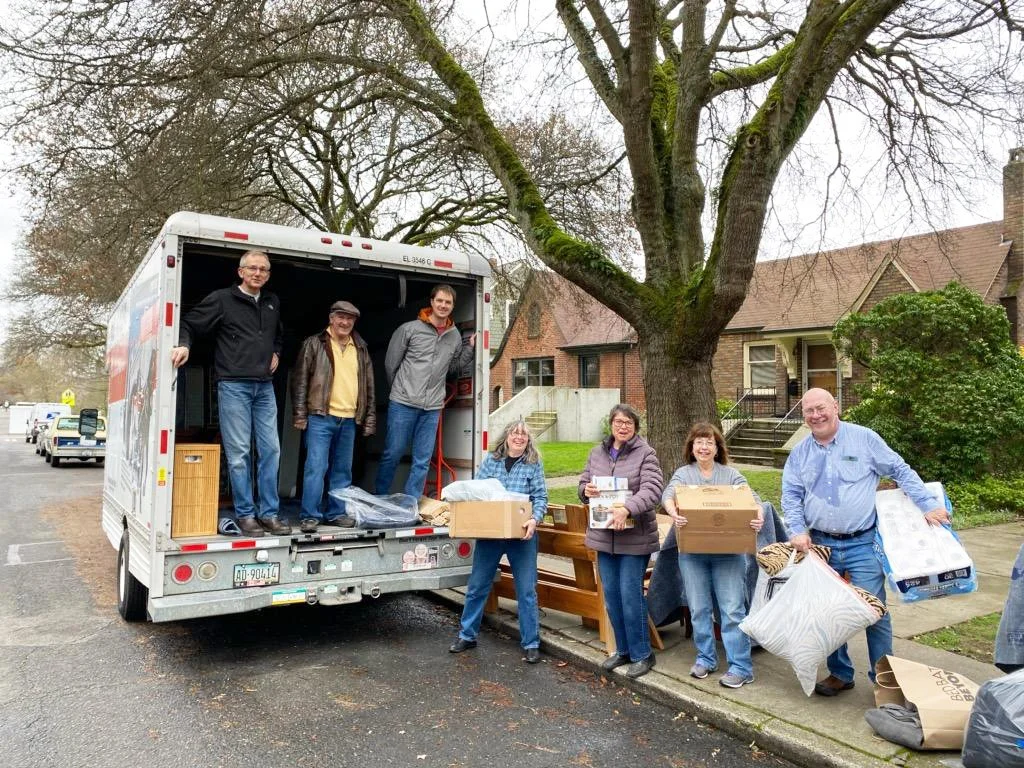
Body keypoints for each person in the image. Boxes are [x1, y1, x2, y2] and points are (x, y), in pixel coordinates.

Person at [782, 387, 948, 696]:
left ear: (836, 407)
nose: (816, 415)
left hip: (862, 544)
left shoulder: (864, 439)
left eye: (821, 408)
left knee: (874, 612)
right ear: (803, 416)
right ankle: (840, 674)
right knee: (828, 612)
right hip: (820, 546)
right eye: (809, 411)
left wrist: (927, 505)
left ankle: (884, 681)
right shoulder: (800, 454)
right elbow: (791, 495)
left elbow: (899, 469)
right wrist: (797, 529)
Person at [170, 249, 290, 537]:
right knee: (239, 454)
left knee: (272, 450)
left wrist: (276, 351)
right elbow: (188, 323)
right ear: (241, 272)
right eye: (252, 268)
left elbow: (278, 335)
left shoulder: (272, 302)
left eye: (263, 269)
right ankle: (246, 515)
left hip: (264, 387)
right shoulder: (222, 300)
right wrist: (184, 344)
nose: (258, 273)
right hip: (234, 386)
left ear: (268, 274)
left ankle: (269, 514)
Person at [662, 422, 764, 689]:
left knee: (732, 610)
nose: (704, 447)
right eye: (699, 442)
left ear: (718, 448)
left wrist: (758, 516)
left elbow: (751, 498)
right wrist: (673, 512)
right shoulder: (684, 474)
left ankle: (741, 667)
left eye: (709, 442)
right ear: (691, 447)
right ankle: (706, 658)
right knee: (699, 609)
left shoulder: (730, 475)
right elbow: (668, 494)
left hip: (728, 554)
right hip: (693, 554)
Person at [449, 419, 548, 663]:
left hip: (521, 536)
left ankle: (531, 642)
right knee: (477, 586)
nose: (519, 437)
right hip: (491, 535)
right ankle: (467, 635)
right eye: (515, 433)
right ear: (506, 437)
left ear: (528, 440)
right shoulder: (491, 461)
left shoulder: (533, 464)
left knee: (526, 590)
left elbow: (541, 497)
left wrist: (534, 519)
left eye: (523, 435)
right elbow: (475, 492)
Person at [580, 403, 663, 679]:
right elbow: (582, 484)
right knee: (613, 597)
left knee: (630, 596)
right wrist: (586, 489)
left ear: (635, 427)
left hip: (634, 539)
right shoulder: (597, 453)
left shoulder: (646, 453)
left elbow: (653, 490)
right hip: (605, 538)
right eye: (618, 421)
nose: (623, 426)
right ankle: (623, 650)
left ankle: (642, 654)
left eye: (628, 422)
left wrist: (627, 508)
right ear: (611, 425)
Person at [374, 284, 475, 498]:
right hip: (403, 403)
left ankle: (411, 504)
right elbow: (391, 364)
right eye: (439, 300)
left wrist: (470, 348)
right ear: (431, 302)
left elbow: (453, 369)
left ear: (453, 306)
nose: (443, 305)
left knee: (422, 460)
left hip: (432, 407)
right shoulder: (409, 329)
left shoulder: (454, 336)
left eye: (448, 302)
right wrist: (400, 391)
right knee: (393, 453)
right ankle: (380, 498)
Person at [291, 300, 376, 534]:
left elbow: (369, 385)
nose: (345, 322)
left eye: (350, 318)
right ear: (331, 318)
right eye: (341, 317)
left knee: (342, 471)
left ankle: (336, 513)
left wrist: (369, 419)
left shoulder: (360, 347)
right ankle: (310, 515)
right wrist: (300, 415)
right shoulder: (314, 343)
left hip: (348, 419)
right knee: (316, 468)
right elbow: (299, 382)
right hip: (320, 417)